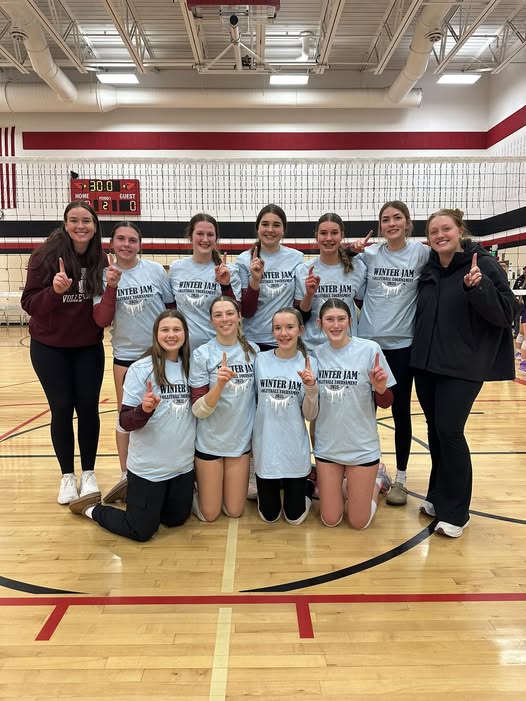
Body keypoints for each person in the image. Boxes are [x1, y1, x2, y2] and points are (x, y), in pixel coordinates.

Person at [411, 208, 516, 538]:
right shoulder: (430, 267)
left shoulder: (481, 264)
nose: (440, 235)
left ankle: (457, 512)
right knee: (435, 431)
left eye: (446, 228)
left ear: (460, 231)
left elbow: (508, 313)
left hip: (463, 366)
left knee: (450, 431)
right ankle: (438, 495)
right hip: (427, 364)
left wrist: (478, 288)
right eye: (433, 231)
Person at [68, 310, 196, 542]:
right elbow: (125, 422)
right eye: (165, 330)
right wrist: (143, 410)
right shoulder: (141, 369)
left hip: (182, 468)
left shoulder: (192, 367)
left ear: (185, 334)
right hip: (149, 469)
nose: (171, 335)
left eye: (176, 329)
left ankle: (134, 495)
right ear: (155, 334)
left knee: (175, 519)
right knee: (142, 530)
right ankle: (91, 508)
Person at [21, 200, 106, 505]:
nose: (81, 226)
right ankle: (67, 476)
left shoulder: (100, 258)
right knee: (61, 409)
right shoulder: (45, 256)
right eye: (74, 220)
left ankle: (89, 473)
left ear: (95, 226)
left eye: (86, 221)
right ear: (65, 224)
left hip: (88, 346)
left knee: (88, 409)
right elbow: (29, 303)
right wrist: (54, 292)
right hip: (50, 348)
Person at [351, 201, 430, 506]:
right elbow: (342, 266)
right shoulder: (369, 255)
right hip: (369, 345)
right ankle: (365, 469)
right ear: (380, 226)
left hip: (402, 346)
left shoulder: (421, 253)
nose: (392, 223)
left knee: (400, 412)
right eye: (386, 219)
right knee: (363, 411)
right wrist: (351, 250)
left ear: (408, 223)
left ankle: (401, 478)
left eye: (398, 218)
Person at [93, 221, 175, 500]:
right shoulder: (103, 275)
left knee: (165, 412)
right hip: (126, 358)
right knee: (125, 415)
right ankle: (126, 474)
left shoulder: (155, 271)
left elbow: (171, 310)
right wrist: (112, 287)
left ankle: (166, 468)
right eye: (121, 239)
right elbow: (101, 320)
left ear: (140, 244)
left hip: (160, 356)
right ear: (111, 244)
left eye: (132, 240)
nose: (126, 244)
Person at [312, 299, 395, 529]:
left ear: (350, 321)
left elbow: (387, 403)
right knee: (330, 519)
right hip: (328, 448)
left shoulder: (369, 350)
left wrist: (380, 389)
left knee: (359, 522)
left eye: (341, 319)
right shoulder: (316, 355)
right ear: (320, 323)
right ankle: (348, 487)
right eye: (330, 319)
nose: (335, 325)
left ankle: (377, 479)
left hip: (362, 447)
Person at [189, 297, 258, 521]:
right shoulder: (202, 354)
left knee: (235, 511)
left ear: (239, 317)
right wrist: (218, 385)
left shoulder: (254, 352)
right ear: (211, 320)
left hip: (239, 443)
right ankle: (189, 490)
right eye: (218, 315)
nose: (224, 319)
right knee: (210, 514)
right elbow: (198, 410)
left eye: (229, 313)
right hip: (210, 442)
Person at [252, 307, 318, 524]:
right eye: (278, 328)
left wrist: (310, 389)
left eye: (289, 327)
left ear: (300, 330)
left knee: (294, 518)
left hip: (294, 449)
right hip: (266, 448)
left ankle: (309, 484)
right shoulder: (259, 360)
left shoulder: (310, 363)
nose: (283, 333)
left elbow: (310, 415)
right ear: (272, 332)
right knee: (269, 517)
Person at [169, 213, 241, 351]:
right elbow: (171, 309)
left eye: (210, 235)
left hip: (218, 349)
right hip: (183, 349)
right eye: (200, 234)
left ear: (216, 238)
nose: (205, 239)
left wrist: (225, 285)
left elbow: (237, 313)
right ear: (190, 236)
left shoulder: (229, 271)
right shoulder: (176, 268)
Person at [295, 213, 367, 350]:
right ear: (316, 236)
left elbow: (364, 306)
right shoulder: (303, 270)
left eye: (334, 233)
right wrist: (309, 295)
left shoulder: (358, 268)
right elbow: (299, 318)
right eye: (323, 233)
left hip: (346, 346)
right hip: (313, 348)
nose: (329, 238)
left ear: (342, 235)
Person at [236, 204, 303, 351]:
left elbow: (299, 307)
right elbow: (246, 312)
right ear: (257, 228)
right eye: (265, 224)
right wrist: (255, 280)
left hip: (286, 338)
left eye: (276, 225)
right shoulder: (243, 260)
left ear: (283, 229)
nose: (270, 230)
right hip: (253, 341)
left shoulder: (296, 258)